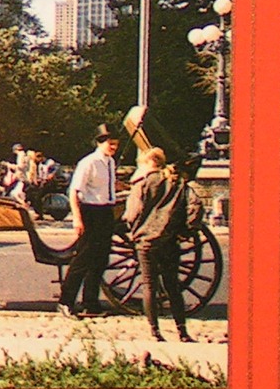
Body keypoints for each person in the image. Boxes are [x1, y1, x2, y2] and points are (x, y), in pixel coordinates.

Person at [125, 147, 195, 342]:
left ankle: (155, 331)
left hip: (147, 241)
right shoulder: (178, 183)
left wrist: (134, 230)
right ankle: (182, 331)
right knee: (173, 286)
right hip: (170, 240)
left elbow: (133, 212)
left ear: (147, 163)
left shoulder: (143, 183)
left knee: (149, 285)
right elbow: (195, 207)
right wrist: (186, 231)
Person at [58, 124, 122, 318]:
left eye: (116, 145)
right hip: (90, 212)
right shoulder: (89, 162)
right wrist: (77, 219)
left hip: (105, 211)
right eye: (111, 144)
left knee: (100, 259)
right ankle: (65, 301)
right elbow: (74, 192)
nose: (114, 148)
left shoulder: (109, 162)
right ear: (100, 142)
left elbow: (109, 185)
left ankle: (90, 302)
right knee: (83, 258)